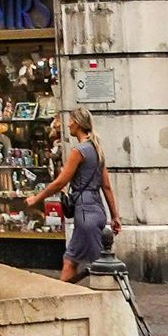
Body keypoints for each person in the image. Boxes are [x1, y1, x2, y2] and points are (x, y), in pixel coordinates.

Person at [42, 107, 119, 282]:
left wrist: (37, 198)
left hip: (85, 214)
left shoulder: (79, 151)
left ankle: (116, 298)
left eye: (69, 121)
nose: (67, 124)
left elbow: (61, 182)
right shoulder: (97, 149)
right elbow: (106, 186)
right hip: (97, 210)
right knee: (70, 261)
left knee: (101, 267)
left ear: (76, 123)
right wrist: (115, 216)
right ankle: (62, 299)